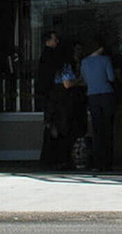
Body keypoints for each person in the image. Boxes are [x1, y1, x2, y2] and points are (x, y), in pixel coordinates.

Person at [79, 36, 117, 171]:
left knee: (97, 129)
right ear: (99, 48)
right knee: (108, 128)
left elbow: (84, 80)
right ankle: (108, 162)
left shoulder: (84, 62)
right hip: (106, 94)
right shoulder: (105, 60)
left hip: (92, 95)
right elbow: (111, 77)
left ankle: (98, 162)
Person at [35, 31, 69, 166]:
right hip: (54, 95)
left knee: (51, 125)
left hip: (48, 95)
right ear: (48, 41)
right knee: (56, 125)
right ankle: (56, 157)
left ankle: (49, 158)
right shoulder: (53, 56)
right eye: (55, 39)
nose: (57, 42)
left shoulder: (45, 56)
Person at [46, 60, 87, 169]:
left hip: (62, 106)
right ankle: (61, 160)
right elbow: (67, 84)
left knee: (63, 132)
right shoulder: (65, 66)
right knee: (63, 132)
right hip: (63, 106)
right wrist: (78, 81)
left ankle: (62, 159)